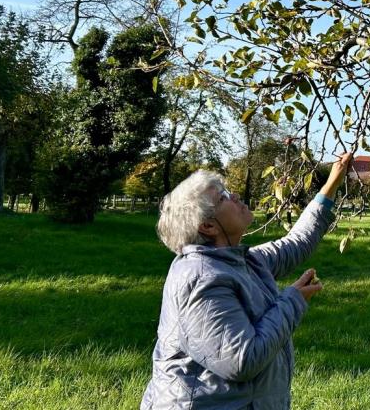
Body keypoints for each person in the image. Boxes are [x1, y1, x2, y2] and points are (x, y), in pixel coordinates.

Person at [140, 152, 353, 409]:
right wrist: (293, 301)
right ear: (208, 226)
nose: (235, 196)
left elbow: (296, 243)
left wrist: (333, 181)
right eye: (223, 197)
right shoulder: (200, 280)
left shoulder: (242, 260)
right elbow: (242, 360)